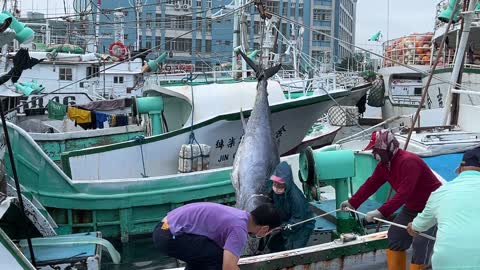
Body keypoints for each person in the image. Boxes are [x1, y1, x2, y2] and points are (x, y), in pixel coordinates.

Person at [340, 129, 442, 270]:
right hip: (413, 207)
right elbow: (372, 184)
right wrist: (353, 203)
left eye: (376, 151)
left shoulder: (409, 162)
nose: (374, 155)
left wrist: (381, 212)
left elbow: (403, 194)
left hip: (434, 208)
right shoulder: (384, 166)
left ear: (387, 149)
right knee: (395, 236)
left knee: (421, 243)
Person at [407, 146, 480, 269]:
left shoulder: (441, 192)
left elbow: (418, 226)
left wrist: (413, 226)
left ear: (461, 169)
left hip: (446, 262)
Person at [152, 202, 281, 270]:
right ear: (265, 228)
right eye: (269, 232)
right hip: (169, 234)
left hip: (164, 229)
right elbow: (228, 267)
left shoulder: (240, 216)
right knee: (217, 257)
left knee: (205, 257)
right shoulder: (239, 229)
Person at [267, 161, 315, 252]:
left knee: (294, 250)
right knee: (273, 245)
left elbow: (298, 220)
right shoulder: (274, 191)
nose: (276, 185)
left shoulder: (296, 198)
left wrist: (282, 227)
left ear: (286, 183)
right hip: (285, 220)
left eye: (280, 183)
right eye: (275, 182)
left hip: (302, 226)